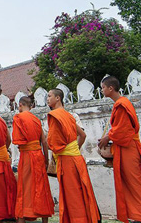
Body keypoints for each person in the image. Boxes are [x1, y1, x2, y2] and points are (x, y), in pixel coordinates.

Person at [98, 76, 141, 223]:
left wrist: (107, 138)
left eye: (103, 87)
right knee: (134, 182)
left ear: (110, 88)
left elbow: (123, 130)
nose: (102, 90)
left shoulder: (121, 104)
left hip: (128, 148)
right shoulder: (122, 103)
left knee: (135, 183)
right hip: (128, 148)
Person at [47, 89, 100, 223]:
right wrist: (73, 149)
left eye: (49, 96)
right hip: (77, 158)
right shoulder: (69, 116)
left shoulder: (54, 115)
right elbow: (83, 135)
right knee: (81, 191)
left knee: (72, 196)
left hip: (67, 161)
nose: (47, 99)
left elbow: (53, 144)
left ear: (58, 98)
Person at [12, 96, 54, 223]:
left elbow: (18, 140)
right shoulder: (36, 120)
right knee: (42, 187)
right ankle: (44, 220)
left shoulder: (18, 118)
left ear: (20, 105)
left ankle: (22, 219)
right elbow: (44, 141)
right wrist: (46, 160)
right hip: (39, 156)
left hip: (26, 156)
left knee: (24, 188)